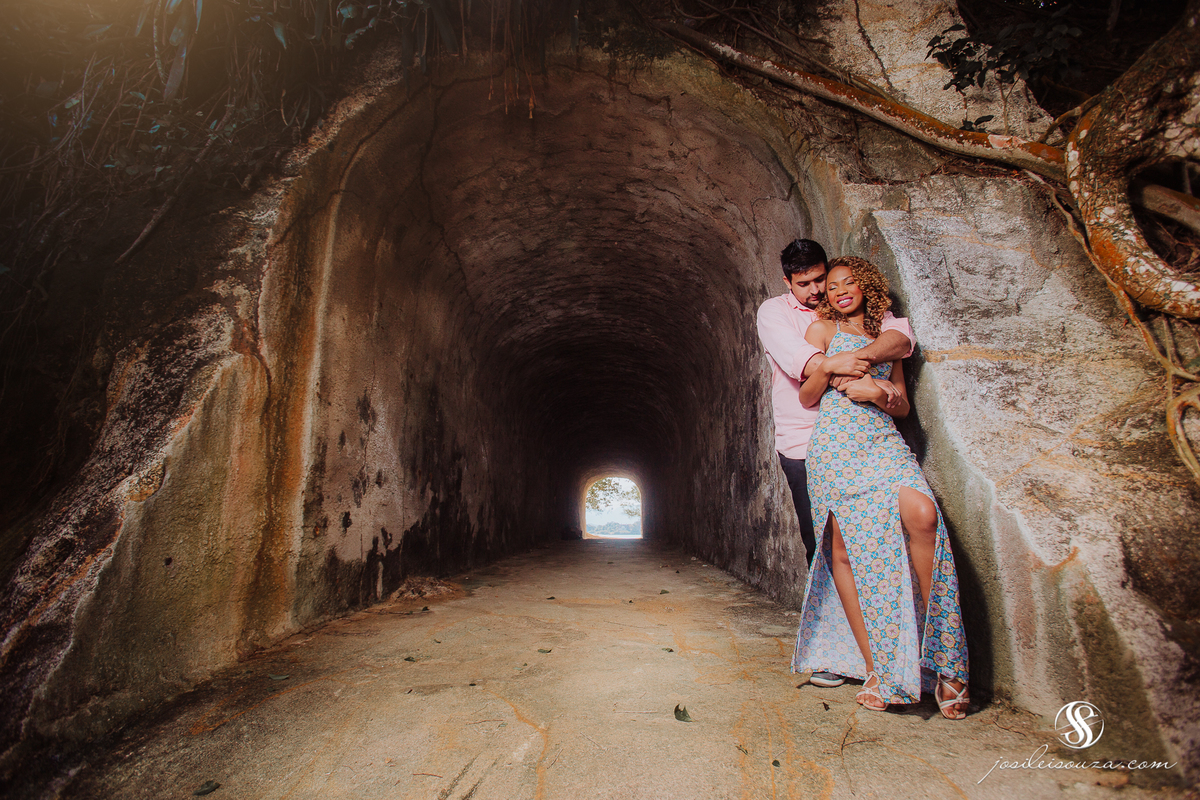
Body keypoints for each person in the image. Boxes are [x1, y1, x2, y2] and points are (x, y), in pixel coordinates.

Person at [790, 256, 969, 719]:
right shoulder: (822, 332)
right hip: (835, 449)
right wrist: (830, 367)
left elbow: (904, 405)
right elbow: (807, 396)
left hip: (883, 445)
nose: (839, 291)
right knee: (845, 552)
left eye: (848, 283)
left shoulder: (889, 338)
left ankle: (948, 663)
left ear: (866, 287)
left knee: (923, 516)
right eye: (831, 287)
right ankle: (879, 668)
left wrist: (877, 393)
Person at [756, 239, 914, 689]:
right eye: (804, 284)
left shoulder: (851, 311)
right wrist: (839, 363)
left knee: (872, 542)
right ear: (787, 282)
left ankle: (888, 648)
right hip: (804, 442)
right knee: (823, 545)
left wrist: (863, 361)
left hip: (861, 440)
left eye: (820, 280)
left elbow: (899, 338)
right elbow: (804, 366)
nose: (815, 290)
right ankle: (833, 652)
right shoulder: (776, 313)